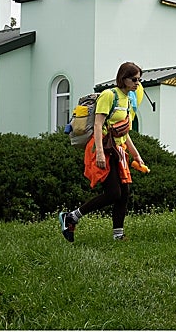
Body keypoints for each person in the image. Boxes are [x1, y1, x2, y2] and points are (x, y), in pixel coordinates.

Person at [59, 61, 149, 242]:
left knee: (124, 193)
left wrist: (136, 155)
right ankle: (71, 217)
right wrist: (99, 153)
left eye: (139, 79)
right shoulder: (110, 96)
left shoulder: (128, 100)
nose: (138, 83)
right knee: (113, 193)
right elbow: (99, 124)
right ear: (123, 78)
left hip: (119, 151)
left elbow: (124, 131)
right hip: (102, 149)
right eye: (134, 79)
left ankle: (118, 235)